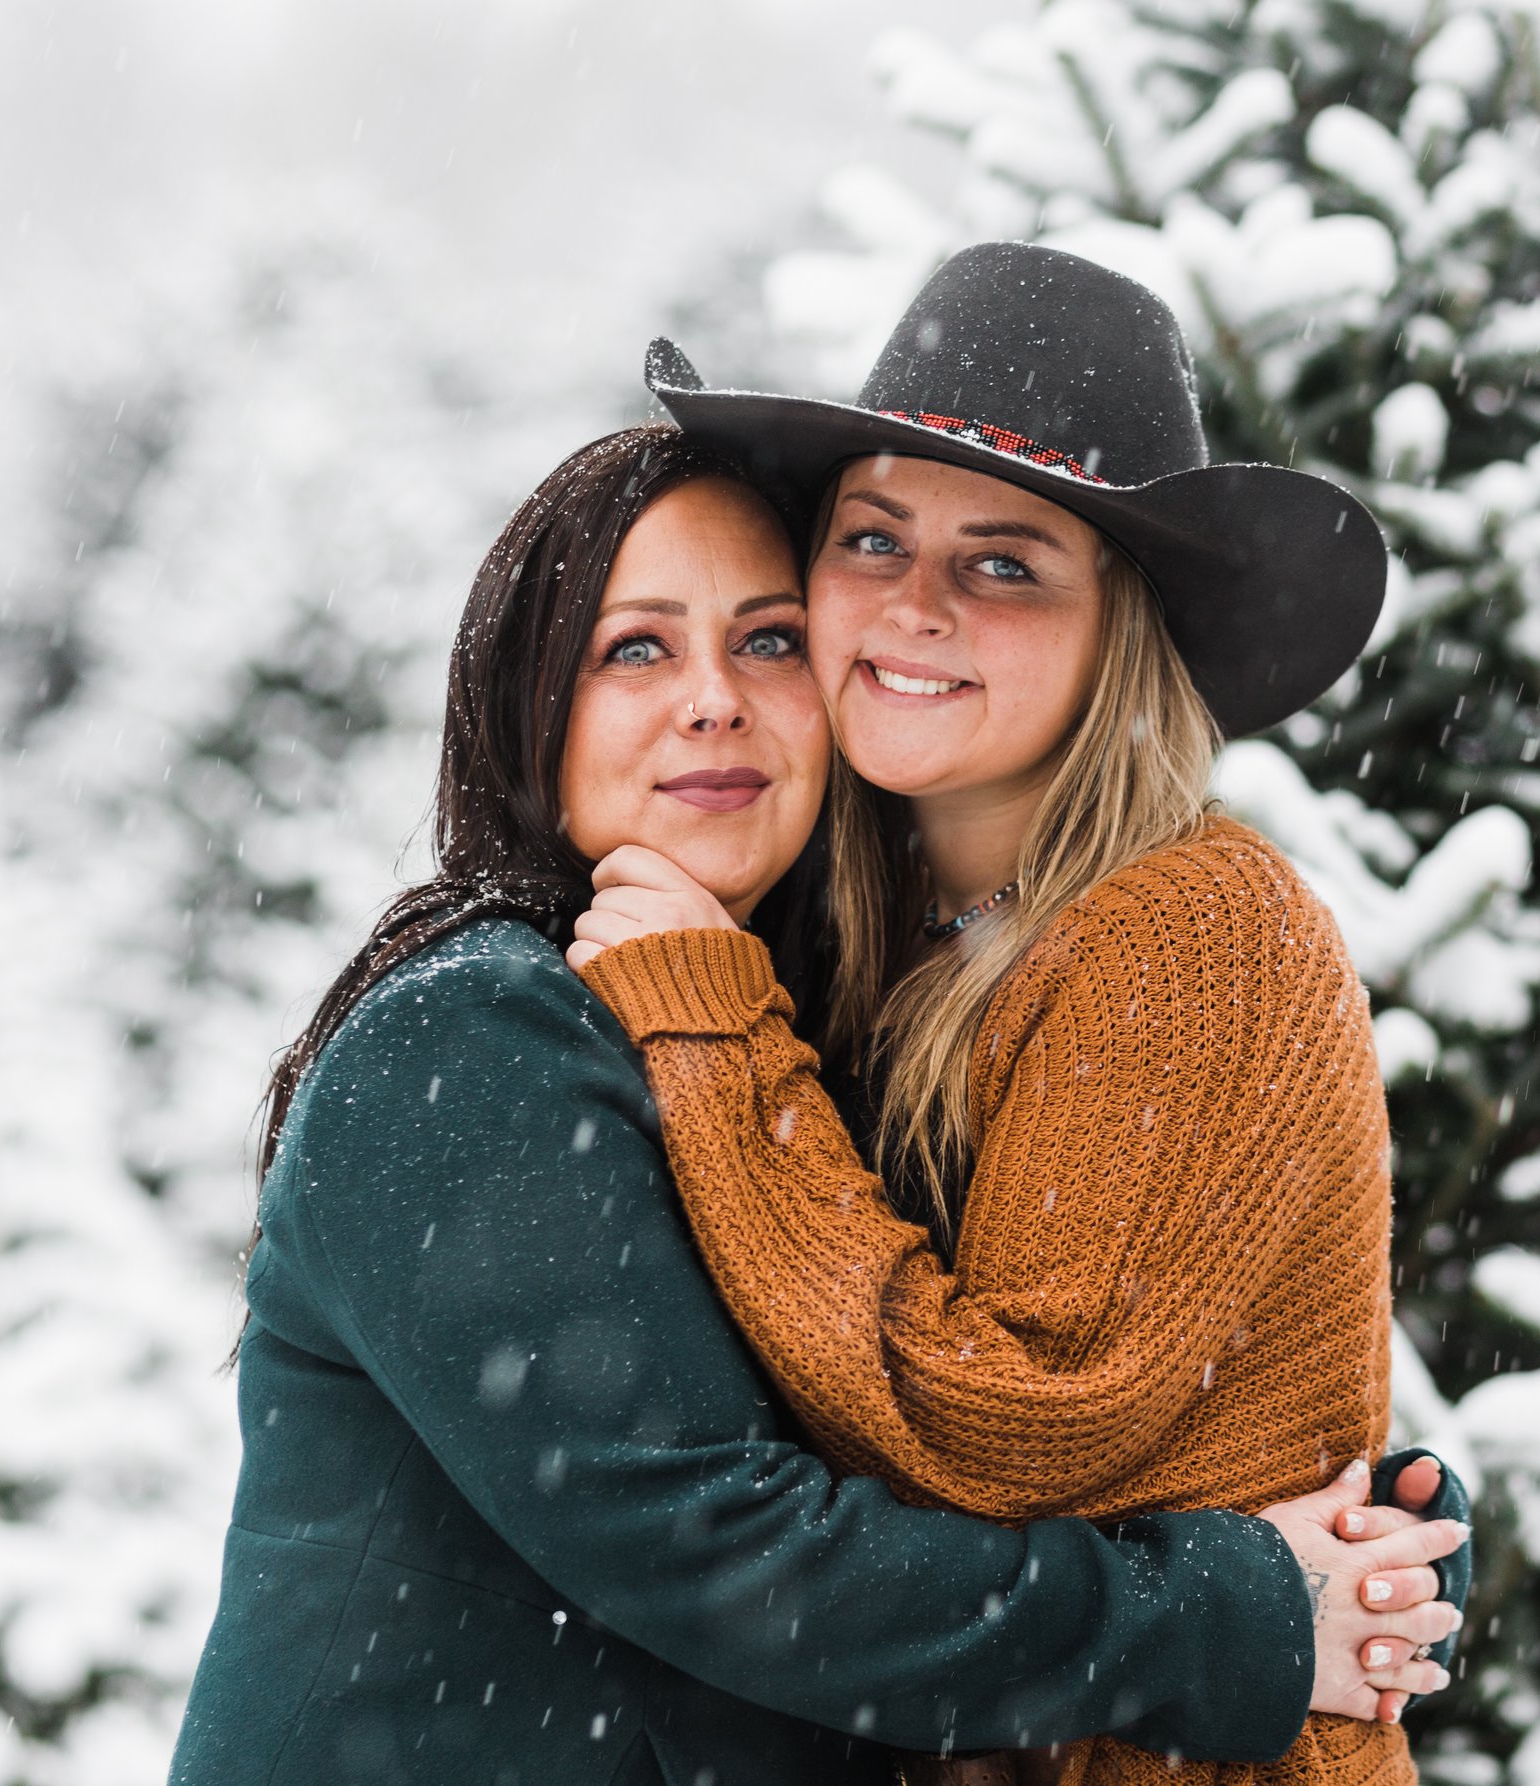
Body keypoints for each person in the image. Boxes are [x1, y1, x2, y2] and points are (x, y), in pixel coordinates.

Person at [169, 421, 1465, 1786]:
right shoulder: (477, 1032)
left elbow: (951, 1415)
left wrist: (1373, 1549)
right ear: (526, 697)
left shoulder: (785, 1037)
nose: (714, 699)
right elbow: (735, 1548)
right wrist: (1240, 1614)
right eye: (637, 648)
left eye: (769, 640)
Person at [568, 243, 1469, 1786]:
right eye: (872, 538)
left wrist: (714, 1033)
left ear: (1122, 624)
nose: (913, 607)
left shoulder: (1197, 924)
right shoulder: (868, 927)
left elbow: (1009, 1435)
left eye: (1003, 561)